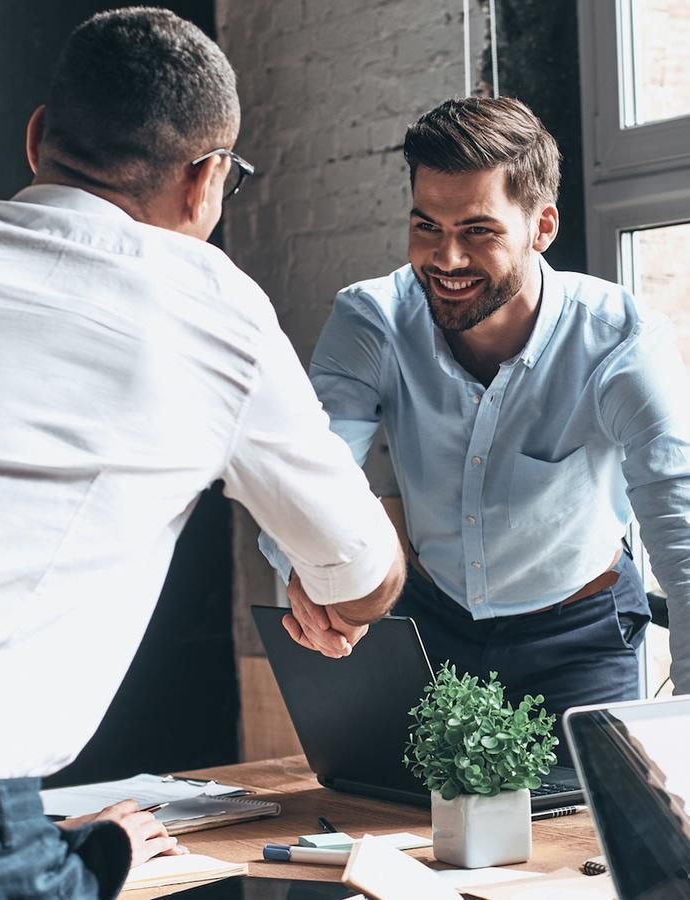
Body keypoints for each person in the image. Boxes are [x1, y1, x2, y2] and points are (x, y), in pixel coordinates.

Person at [0, 8, 405, 898]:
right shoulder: (203, 304)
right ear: (205, 182)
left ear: (38, 135)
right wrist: (331, 586)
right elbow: (361, 578)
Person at [262, 96, 690, 760]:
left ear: (541, 226)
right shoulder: (371, 320)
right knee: (395, 832)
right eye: (426, 226)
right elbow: (305, 473)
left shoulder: (622, 344)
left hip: (577, 637)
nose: (446, 258)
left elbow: (683, 546)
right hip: (431, 625)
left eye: (478, 230)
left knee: (588, 843)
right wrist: (300, 568)